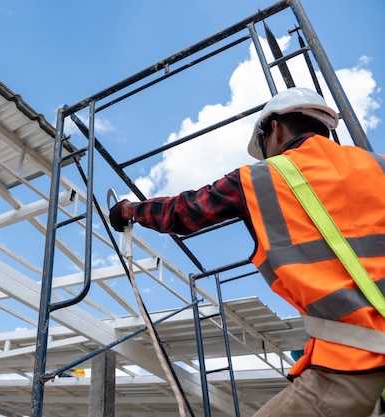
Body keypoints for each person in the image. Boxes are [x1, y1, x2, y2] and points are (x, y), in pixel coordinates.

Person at [109, 87, 385, 416]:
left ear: (275, 128)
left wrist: (129, 210)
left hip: (355, 361)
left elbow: (184, 212)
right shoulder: (378, 166)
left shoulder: (260, 178)